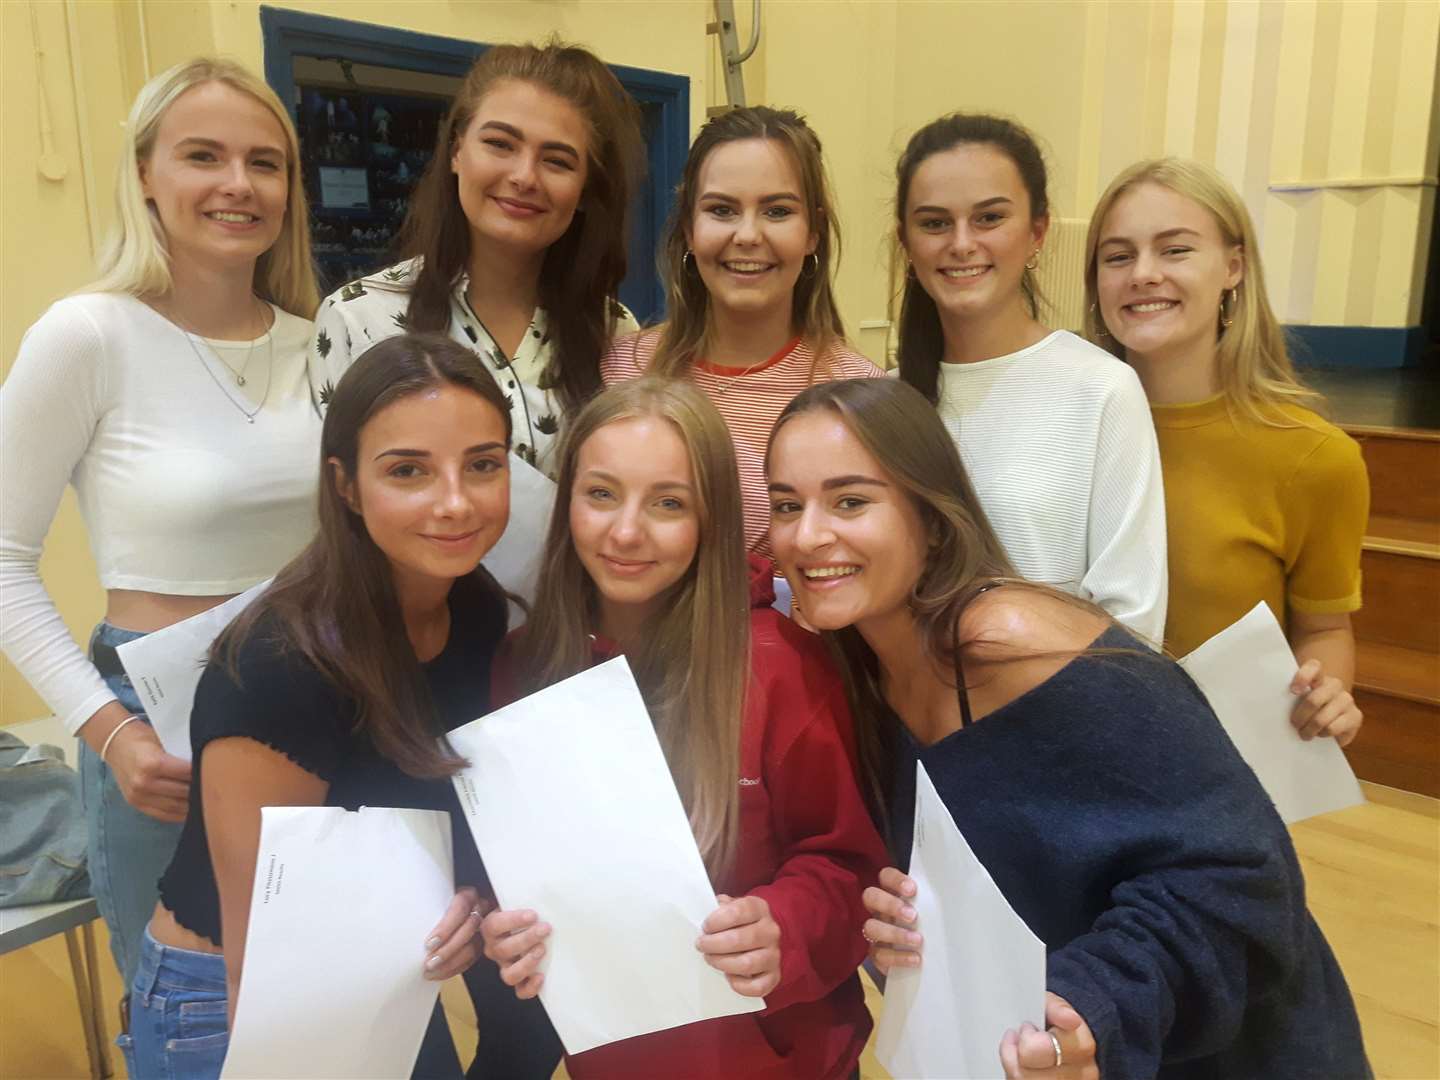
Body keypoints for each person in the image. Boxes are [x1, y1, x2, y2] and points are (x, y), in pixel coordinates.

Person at [766, 377, 1370, 1080]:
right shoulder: (852, 667)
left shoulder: (1015, 644)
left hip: (1230, 1052)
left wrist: (1096, 1002)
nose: (808, 535)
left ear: (930, 514)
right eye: (786, 505)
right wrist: (898, 933)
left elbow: (1240, 872)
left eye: (850, 501)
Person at [0, 57, 320, 989]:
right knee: (186, 1014)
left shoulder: (322, 343)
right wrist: (108, 731)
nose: (238, 184)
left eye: (266, 162)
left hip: (315, 693)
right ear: (145, 172)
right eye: (203, 156)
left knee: (325, 1006)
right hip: (158, 725)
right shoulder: (88, 335)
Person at [126, 334, 512, 1079]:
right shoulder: (280, 668)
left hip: (375, 968)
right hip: (231, 1001)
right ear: (345, 485)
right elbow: (263, 977)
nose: (455, 501)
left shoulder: (477, 612)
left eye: (483, 465)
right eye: (409, 471)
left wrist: (463, 898)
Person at [481, 377, 888, 1079]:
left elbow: (851, 868)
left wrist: (782, 926)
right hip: (612, 1055)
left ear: (712, 520)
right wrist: (506, 930)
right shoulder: (525, 667)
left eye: (668, 503)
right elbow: (524, 871)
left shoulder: (780, 665)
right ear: (566, 502)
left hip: (778, 1060)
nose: (627, 531)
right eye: (601, 493)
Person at [1085, 158, 1368, 745]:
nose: (1142, 274)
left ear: (1233, 267)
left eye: (1175, 250)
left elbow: (1325, 630)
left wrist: (1328, 692)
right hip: (1075, 758)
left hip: (1225, 773)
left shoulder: (1313, 457)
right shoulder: (1064, 426)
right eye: (1118, 256)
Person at [891, 113, 1167, 640]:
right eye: (934, 223)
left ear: (1037, 231)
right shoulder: (890, 397)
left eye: (989, 218)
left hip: (1054, 711)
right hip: (905, 712)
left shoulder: (1101, 389)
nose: (962, 243)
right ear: (906, 241)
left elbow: (1133, 622)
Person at [311, 40, 645, 474]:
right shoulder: (357, 318)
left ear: (584, 191)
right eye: (500, 144)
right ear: (456, 152)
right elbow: (340, 511)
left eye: (557, 161)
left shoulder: (616, 333)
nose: (524, 176)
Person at [601, 107, 884, 561]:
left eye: (776, 211)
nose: (748, 234)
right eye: (722, 210)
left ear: (812, 231)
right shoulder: (620, 370)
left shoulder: (860, 394)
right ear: (690, 230)